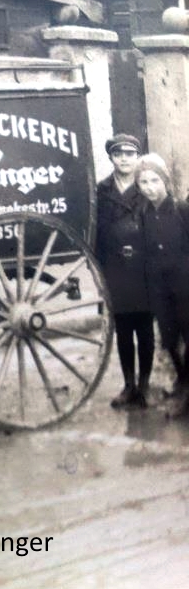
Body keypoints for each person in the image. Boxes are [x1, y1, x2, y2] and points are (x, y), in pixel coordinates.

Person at [95, 134, 153, 409]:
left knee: (145, 329)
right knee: (123, 330)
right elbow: (96, 233)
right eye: (119, 154)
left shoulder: (147, 186)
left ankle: (144, 386)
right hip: (115, 269)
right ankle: (129, 385)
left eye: (130, 154)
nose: (124, 159)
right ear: (111, 158)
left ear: (137, 157)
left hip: (143, 268)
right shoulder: (102, 190)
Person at [135, 153, 189, 418]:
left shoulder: (181, 210)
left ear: (165, 181)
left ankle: (186, 395)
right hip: (159, 289)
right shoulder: (144, 214)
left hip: (184, 287)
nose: (149, 187)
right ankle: (182, 381)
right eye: (143, 182)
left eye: (154, 180)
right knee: (169, 339)